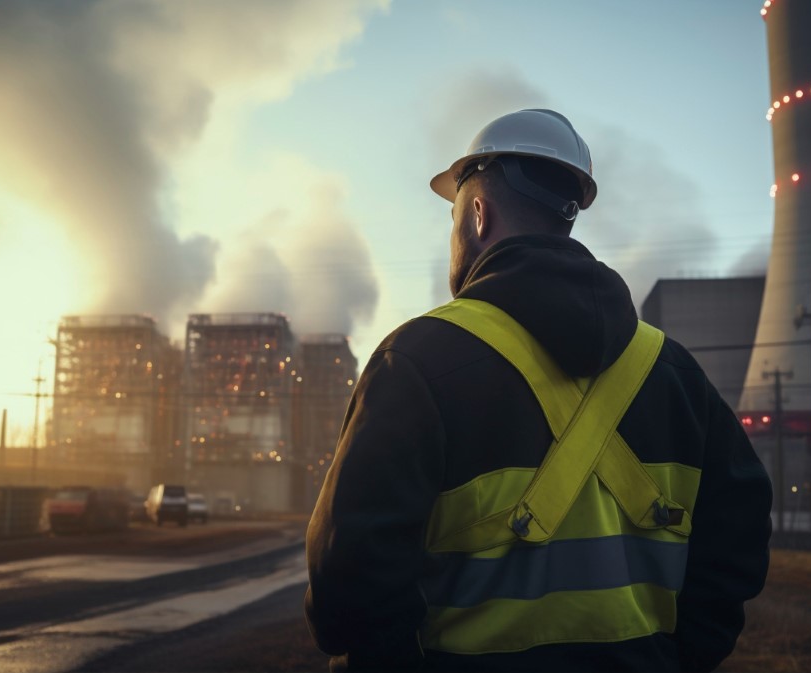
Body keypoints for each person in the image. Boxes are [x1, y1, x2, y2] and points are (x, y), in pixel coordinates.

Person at [305, 109, 772, 672]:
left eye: (453, 215)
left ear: (477, 215)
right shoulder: (674, 372)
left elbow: (346, 585)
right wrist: (678, 657)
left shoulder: (414, 362)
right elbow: (740, 536)